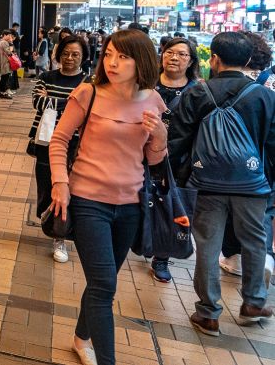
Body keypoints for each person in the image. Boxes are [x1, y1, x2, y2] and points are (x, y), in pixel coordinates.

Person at [49, 29, 168, 365]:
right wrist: (60, 183)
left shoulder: (153, 100)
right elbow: (58, 141)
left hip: (130, 205)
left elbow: (155, 159)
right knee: (104, 286)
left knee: (103, 282)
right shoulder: (89, 93)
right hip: (88, 201)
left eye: (123, 56)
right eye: (109, 54)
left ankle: (80, 338)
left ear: (141, 61)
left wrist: (159, 136)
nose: (112, 62)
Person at [168, 32, 275, 337]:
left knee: (207, 244)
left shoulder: (197, 94)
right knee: (255, 242)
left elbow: (178, 140)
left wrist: (175, 180)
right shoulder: (266, 96)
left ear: (213, 59)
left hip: (206, 183)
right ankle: (254, 303)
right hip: (253, 186)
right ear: (249, 61)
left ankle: (207, 313)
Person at [218, 32, 275, 278]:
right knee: (264, 210)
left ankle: (235, 257)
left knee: (232, 210)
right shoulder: (269, 80)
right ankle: (266, 258)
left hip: (230, 160)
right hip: (264, 160)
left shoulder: (231, 81)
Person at [146, 37, 201, 283]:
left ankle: (162, 257)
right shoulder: (147, 84)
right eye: (169, 52)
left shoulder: (198, 91)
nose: (174, 58)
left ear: (190, 61)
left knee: (169, 205)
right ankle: (141, 239)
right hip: (141, 154)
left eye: (182, 54)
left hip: (177, 160)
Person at [29, 35, 88, 263]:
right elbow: (37, 102)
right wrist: (72, 102)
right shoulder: (47, 77)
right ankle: (55, 228)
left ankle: (61, 233)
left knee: (70, 189)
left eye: (75, 54)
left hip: (76, 144)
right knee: (47, 187)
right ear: (58, 55)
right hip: (46, 142)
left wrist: (54, 100)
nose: (70, 58)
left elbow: (88, 108)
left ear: (83, 57)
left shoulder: (88, 82)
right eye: (65, 54)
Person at [0, 29, 16, 99]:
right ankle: (2, 92)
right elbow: (9, 52)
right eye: (9, 35)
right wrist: (11, 44)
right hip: (5, 63)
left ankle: (1, 92)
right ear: (5, 35)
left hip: (1, 62)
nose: (10, 37)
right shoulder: (4, 42)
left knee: (3, 78)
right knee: (5, 78)